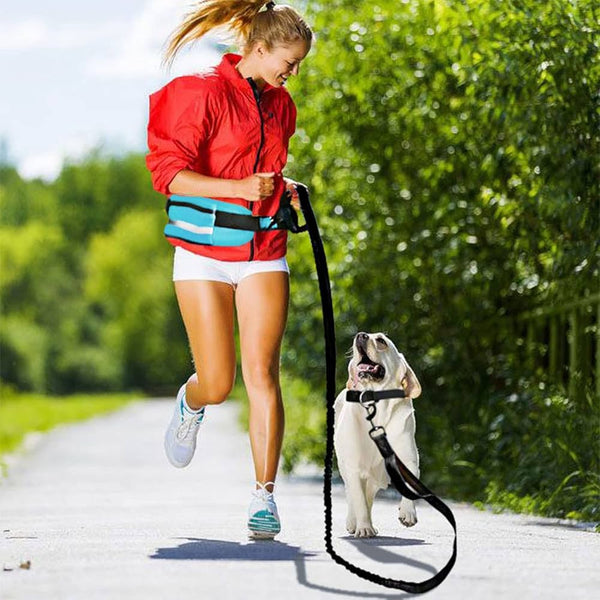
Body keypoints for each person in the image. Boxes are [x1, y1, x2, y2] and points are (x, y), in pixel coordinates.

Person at [145, 0, 312, 540]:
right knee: (218, 382)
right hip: (202, 253)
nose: (293, 73)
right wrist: (238, 189)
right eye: (288, 61)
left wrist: (282, 189)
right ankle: (191, 402)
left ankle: (264, 497)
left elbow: (265, 170)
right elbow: (169, 175)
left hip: (264, 249)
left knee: (262, 373)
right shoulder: (199, 92)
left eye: (298, 64)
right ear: (257, 49)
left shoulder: (281, 105)